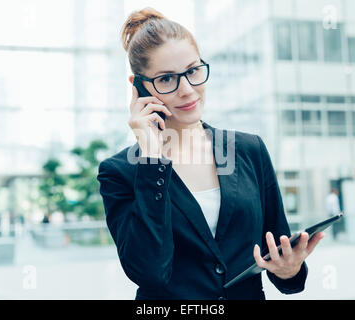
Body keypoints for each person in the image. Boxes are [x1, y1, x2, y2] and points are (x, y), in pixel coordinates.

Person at [97, 7, 325, 300]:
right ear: (138, 88)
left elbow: (279, 253)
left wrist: (289, 269)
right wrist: (152, 159)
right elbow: (150, 272)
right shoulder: (120, 172)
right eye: (166, 79)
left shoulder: (248, 150)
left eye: (192, 71)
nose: (187, 90)